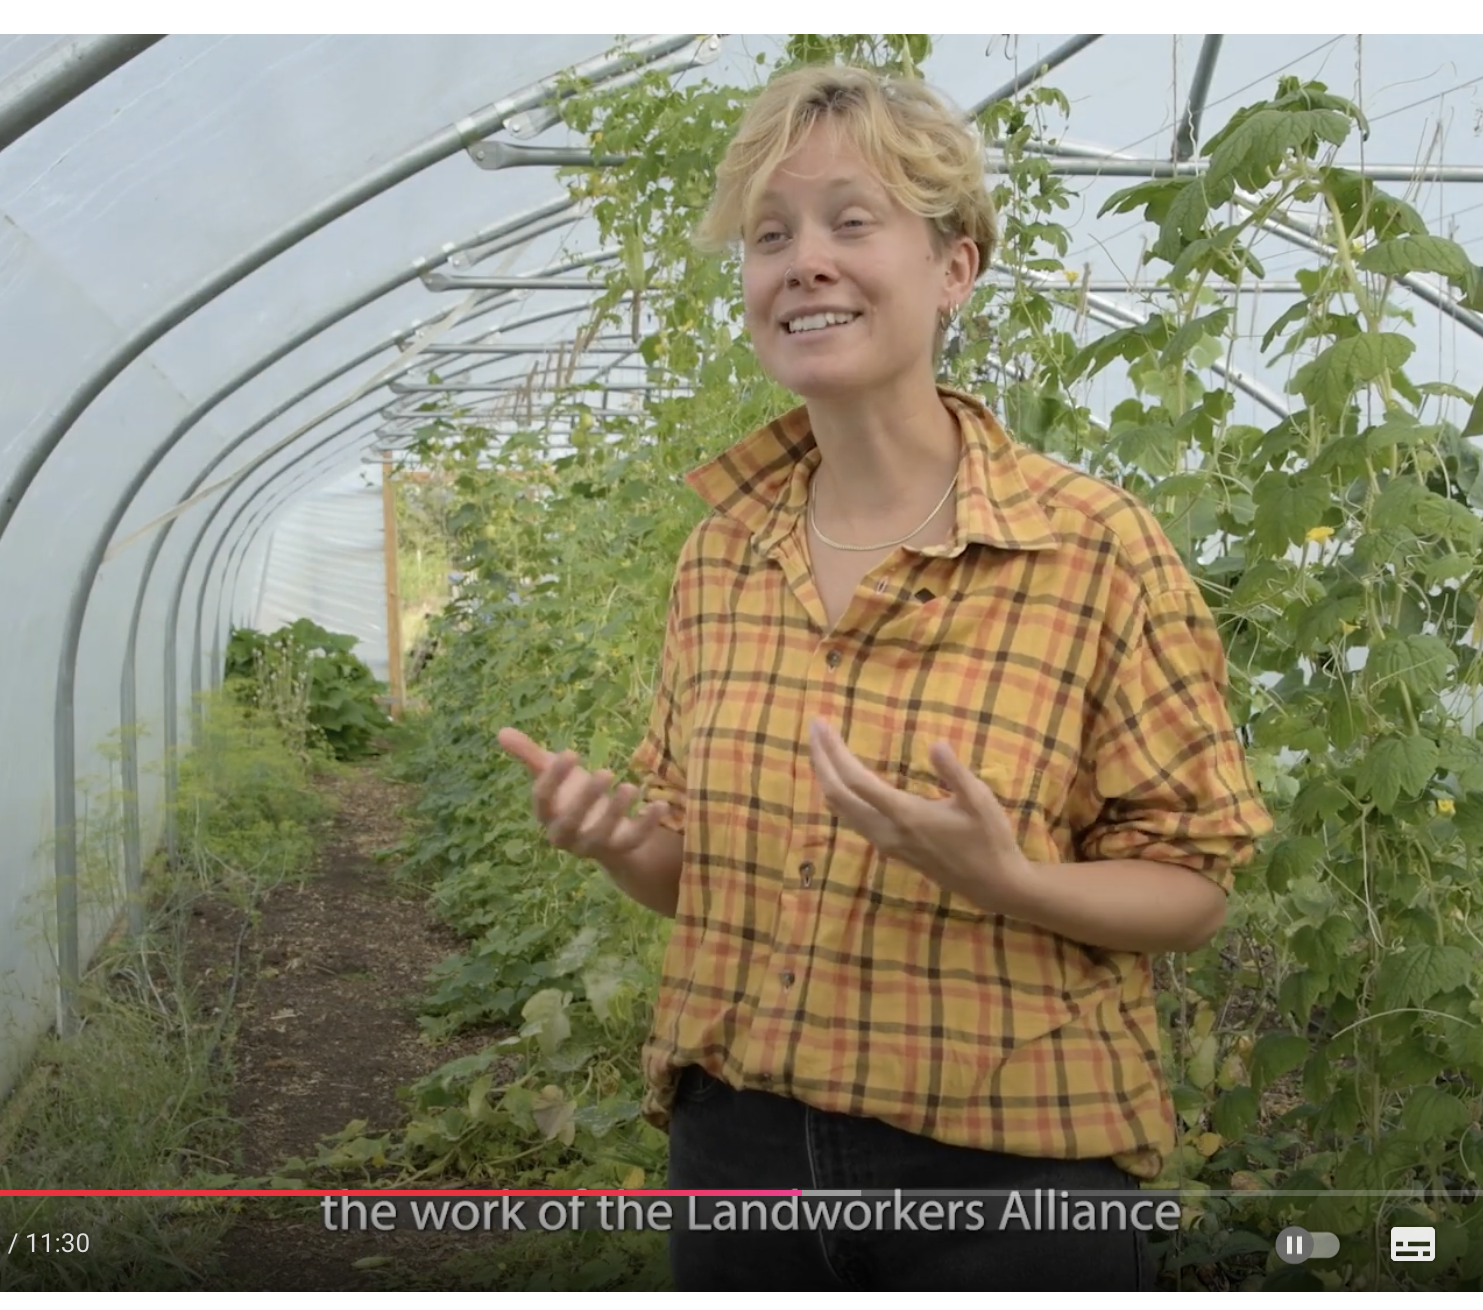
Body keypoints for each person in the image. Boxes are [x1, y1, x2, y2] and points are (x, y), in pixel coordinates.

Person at [495, 63, 1272, 1291]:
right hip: (736, 1156)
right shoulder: (723, 554)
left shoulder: (1090, 548)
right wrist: (615, 840)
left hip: (1007, 1180)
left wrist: (1008, 877)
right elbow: (694, 870)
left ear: (954, 265)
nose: (803, 260)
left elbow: (1191, 888)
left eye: (851, 222)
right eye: (769, 234)